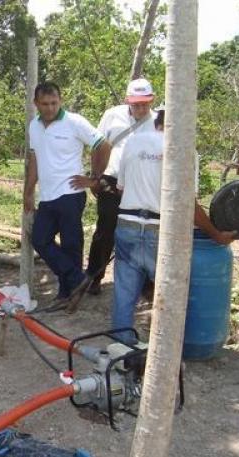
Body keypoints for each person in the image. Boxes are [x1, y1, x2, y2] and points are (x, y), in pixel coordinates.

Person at [111, 107, 236, 343]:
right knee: (169, 298)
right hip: (161, 232)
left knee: (124, 297)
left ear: (157, 123)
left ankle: (122, 354)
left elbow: (122, 188)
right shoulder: (185, 150)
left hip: (127, 225)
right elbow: (187, 203)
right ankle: (165, 353)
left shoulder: (133, 143)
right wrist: (216, 235)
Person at [24, 82, 112, 311]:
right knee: (40, 239)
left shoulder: (74, 122)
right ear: (36, 104)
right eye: (45, 104)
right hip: (47, 195)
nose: (50, 108)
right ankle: (77, 279)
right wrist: (28, 192)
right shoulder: (34, 126)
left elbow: (103, 145)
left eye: (54, 103)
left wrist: (94, 178)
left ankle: (66, 293)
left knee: (71, 245)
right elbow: (34, 159)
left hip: (70, 194)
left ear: (60, 101)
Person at [85, 78, 157, 295]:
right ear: (128, 101)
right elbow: (98, 146)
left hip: (141, 186)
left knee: (142, 232)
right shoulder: (111, 115)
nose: (141, 108)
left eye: (145, 103)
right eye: (136, 104)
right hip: (112, 182)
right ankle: (93, 278)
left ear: (152, 100)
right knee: (105, 231)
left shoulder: (159, 121)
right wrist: (95, 177)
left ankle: (146, 282)